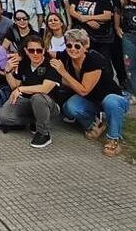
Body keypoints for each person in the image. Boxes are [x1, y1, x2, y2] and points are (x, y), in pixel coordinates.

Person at [50, 29, 130, 157]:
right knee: (70, 107)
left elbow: (83, 90)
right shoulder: (66, 56)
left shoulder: (94, 59)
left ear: (85, 46)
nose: (73, 49)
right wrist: (23, 54)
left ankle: (114, 138)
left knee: (111, 102)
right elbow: (47, 54)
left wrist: (63, 72)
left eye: (77, 46)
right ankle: (96, 125)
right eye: (69, 45)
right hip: (92, 101)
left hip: (112, 98)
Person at [0, 35, 62, 148]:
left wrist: (21, 89)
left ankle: (44, 133)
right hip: (28, 102)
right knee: (2, 116)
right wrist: (7, 71)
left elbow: (44, 89)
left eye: (39, 50)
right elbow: (14, 86)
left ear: (44, 50)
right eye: (31, 50)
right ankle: (35, 120)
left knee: (38, 97)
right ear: (26, 51)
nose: (35, 53)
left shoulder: (51, 65)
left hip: (49, 104)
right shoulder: (24, 64)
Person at [67, 0, 120, 81]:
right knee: (85, 61)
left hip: (101, 37)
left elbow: (107, 15)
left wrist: (87, 18)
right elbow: (72, 10)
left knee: (104, 61)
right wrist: (85, 20)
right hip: (84, 36)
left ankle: (108, 84)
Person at [96, 0, 128, 86]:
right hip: (99, 32)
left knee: (118, 58)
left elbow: (120, 10)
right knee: (103, 59)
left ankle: (123, 81)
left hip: (115, 30)